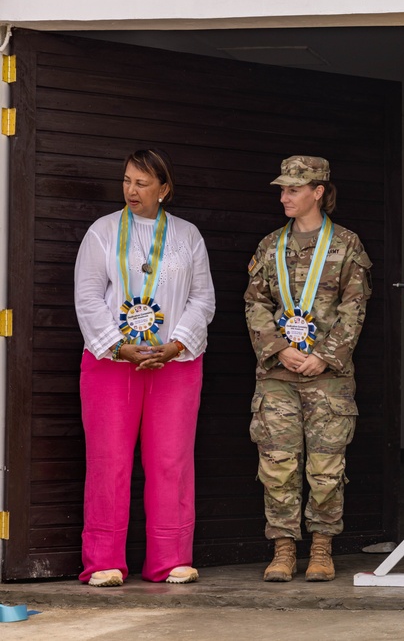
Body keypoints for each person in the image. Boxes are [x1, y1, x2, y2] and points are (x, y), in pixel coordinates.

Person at [74, 149, 216, 587]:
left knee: (171, 461)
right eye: (127, 181)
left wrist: (176, 345)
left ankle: (170, 558)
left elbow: (203, 299)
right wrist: (119, 347)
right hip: (111, 363)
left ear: (164, 189)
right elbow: (88, 297)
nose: (131, 190)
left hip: (175, 364)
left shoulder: (188, 236)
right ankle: (103, 562)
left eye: (141, 183)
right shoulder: (101, 232)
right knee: (108, 461)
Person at [245, 155, 372, 582]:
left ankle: (321, 549)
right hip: (278, 375)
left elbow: (355, 307)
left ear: (318, 192)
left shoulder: (347, 244)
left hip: (329, 378)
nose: (284, 197)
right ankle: (283, 550)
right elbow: (256, 303)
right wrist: (279, 349)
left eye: (293, 189)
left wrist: (326, 355)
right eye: (282, 190)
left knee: (325, 468)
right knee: (277, 465)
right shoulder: (270, 246)